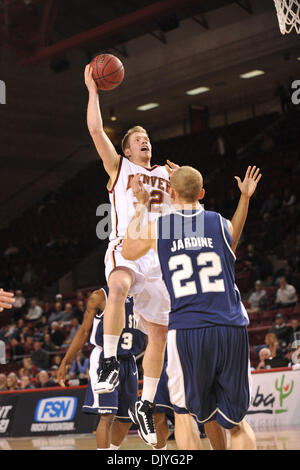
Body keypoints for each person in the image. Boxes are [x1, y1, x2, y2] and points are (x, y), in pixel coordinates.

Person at [122, 165, 261, 450]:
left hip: (189, 329)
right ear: (202, 193)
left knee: (184, 415)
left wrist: (141, 206)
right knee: (236, 423)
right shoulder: (220, 223)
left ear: (170, 193)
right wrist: (244, 198)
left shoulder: (161, 227)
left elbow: (127, 251)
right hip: (231, 325)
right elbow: (231, 239)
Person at [84, 64, 175, 446]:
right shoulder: (119, 168)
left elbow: (192, 202)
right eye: (138, 138)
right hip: (127, 247)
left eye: (148, 137)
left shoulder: (168, 174)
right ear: (125, 149)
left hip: (160, 258)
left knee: (158, 333)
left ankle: (147, 402)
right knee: (118, 285)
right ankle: (107, 361)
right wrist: (94, 91)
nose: (145, 141)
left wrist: (187, 178)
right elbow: (94, 131)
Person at [57, 286, 146, 450]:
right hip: (105, 358)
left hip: (130, 360)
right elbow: (84, 331)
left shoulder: (144, 295)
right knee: (107, 415)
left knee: (127, 419)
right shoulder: (99, 296)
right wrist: (65, 361)